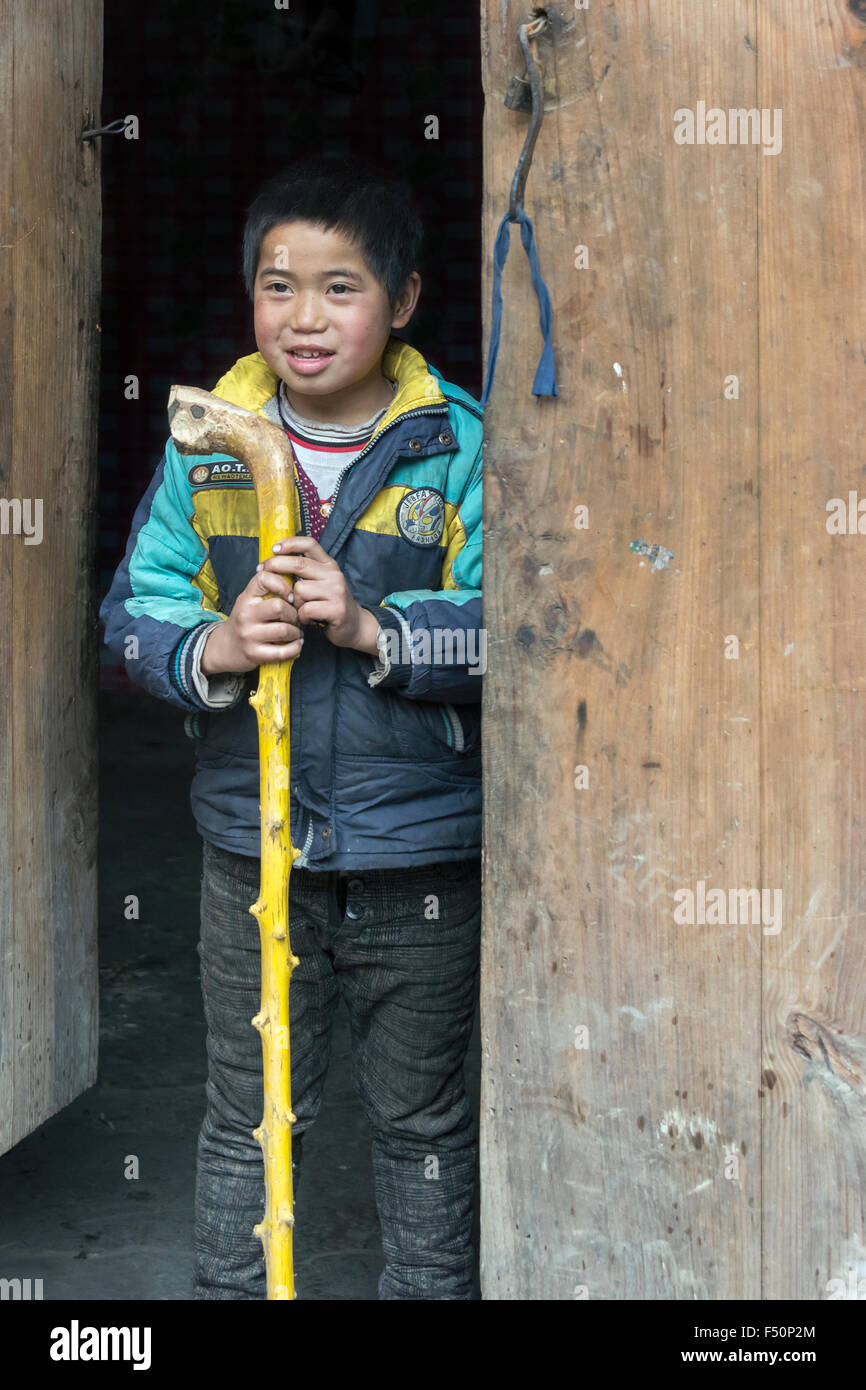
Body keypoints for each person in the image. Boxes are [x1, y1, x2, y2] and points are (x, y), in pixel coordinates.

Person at [99, 155, 485, 1300]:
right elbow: (132, 615)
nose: (303, 318)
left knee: (419, 1115)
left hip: (419, 848)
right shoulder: (203, 439)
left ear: (403, 301)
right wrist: (215, 646)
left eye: (339, 288)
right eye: (278, 286)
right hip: (251, 844)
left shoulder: (452, 442)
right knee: (251, 1110)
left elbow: (521, 626)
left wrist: (375, 626)